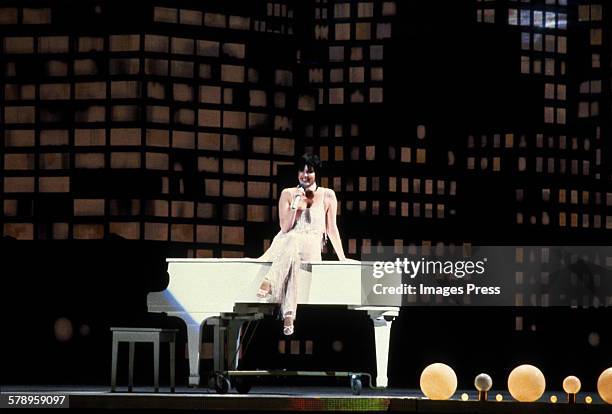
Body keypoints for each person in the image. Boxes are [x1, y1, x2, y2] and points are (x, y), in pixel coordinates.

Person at [256, 154, 353, 335]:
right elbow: (285, 228)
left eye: (310, 171)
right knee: (292, 248)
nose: (305, 175)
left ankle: (270, 280)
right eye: (302, 171)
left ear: (316, 173)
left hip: (311, 246)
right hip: (285, 245)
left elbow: (332, 229)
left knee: (293, 244)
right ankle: (289, 314)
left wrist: (343, 258)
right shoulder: (288, 193)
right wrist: (295, 205)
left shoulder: (327, 195)